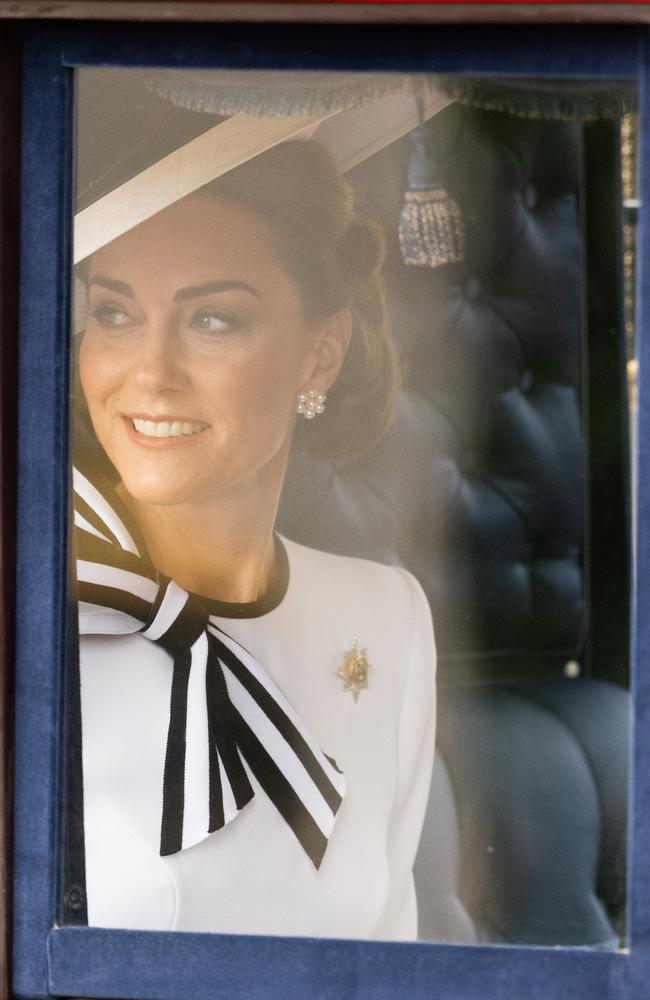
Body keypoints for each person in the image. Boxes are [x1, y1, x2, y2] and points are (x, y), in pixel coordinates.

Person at [72, 139, 437, 940]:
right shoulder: (38, 620)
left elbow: (387, 959)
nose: (150, 372)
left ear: (320, 352)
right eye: (114, 313)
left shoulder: (387, 620)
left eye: (212, 318)